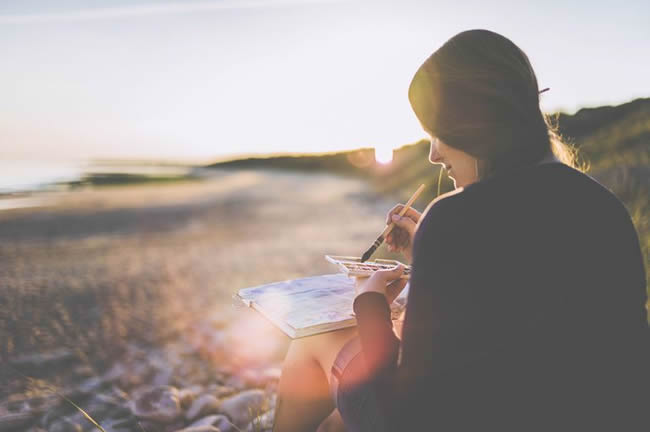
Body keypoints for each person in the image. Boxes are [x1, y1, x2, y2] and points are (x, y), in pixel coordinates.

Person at [272, 29, 650, 432]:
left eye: (438, 133)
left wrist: (370, 306)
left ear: (469, 124)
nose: (434, 154)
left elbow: (409, 412)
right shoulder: (603, 206)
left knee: (313, 342)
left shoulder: (454, 218)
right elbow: (525, 313)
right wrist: (429, 254)